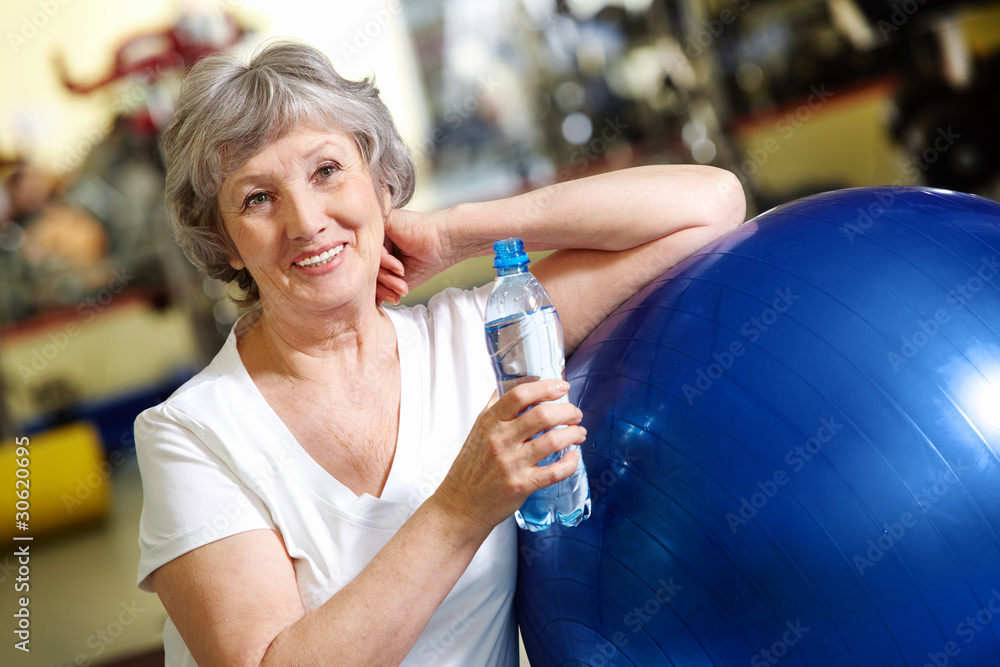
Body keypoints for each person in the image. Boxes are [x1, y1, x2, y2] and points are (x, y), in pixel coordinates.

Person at [135, 40, 745, 666]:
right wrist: (462, 506)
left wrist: (454, 234)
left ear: (379, 183)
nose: (307, 220)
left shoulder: (483, 335)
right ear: (225, 241)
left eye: (327, 172)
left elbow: (710, 205)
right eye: (257, 198)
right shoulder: (191, 433)